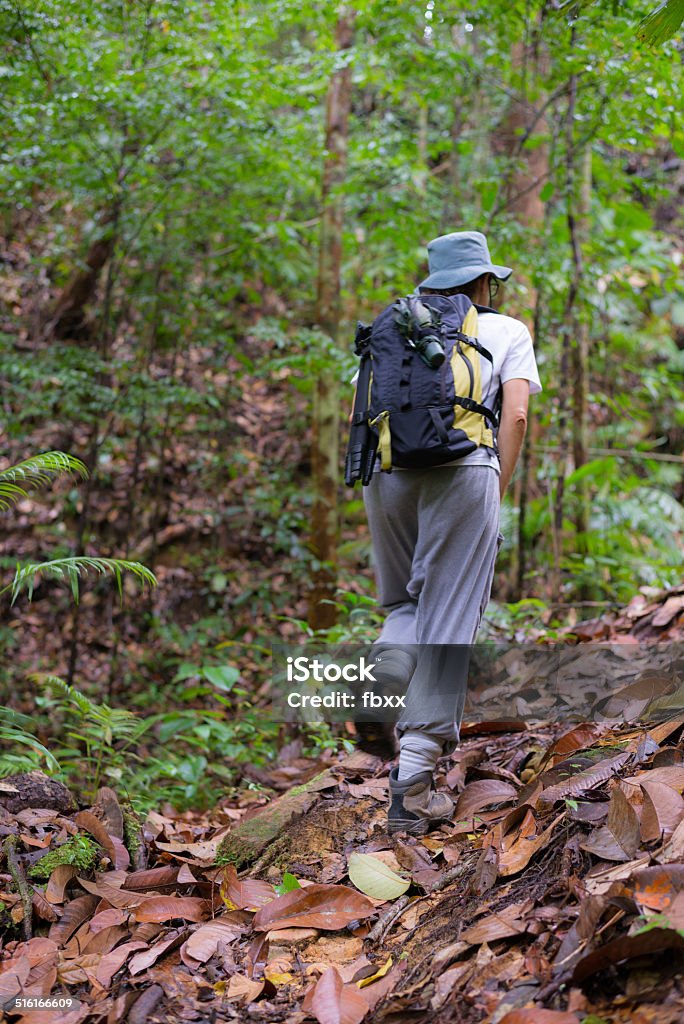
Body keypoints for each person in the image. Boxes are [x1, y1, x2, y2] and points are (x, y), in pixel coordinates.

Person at [355, 230, 542, 834]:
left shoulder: (396, 326)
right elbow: (514, 413)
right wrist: (497, 484)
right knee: (451, 619)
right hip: (465, 469)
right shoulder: (506, 330)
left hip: (386, 473)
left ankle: (381, 678)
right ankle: (412, 786)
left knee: (405, 602)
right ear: (484, 283)